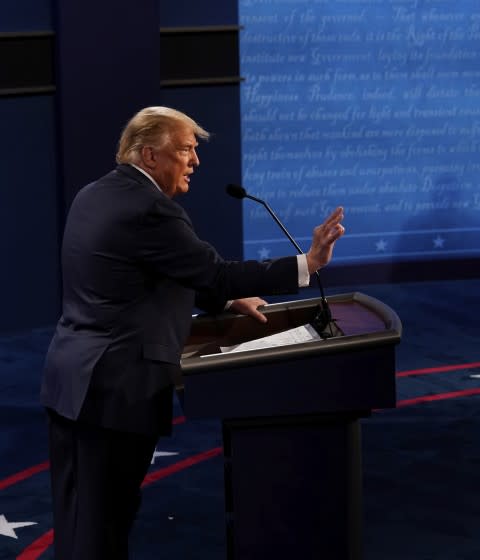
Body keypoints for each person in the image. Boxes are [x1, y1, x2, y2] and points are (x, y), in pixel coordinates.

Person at [40, 106, 345, 559]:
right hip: (115, 390)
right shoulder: (151, 210)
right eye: (185, 149)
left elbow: (136, 275)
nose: (195, 161)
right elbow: (214, 274)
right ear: (149, 156)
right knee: (102, 526)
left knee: (81, 519)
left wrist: (221, 302)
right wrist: (308, 264)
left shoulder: (95, 194)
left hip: (72, 380)